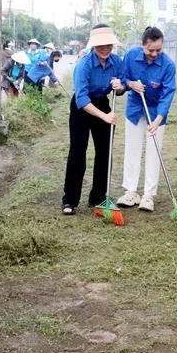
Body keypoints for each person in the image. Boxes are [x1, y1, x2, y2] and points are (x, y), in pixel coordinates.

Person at [62, 25, 125, 215]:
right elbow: (82, 99)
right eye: (100, 45)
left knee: (105, 152)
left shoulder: (116, 62)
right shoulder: (84, 65)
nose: (105, 48)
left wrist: (119, 86)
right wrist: (104, 116)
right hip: (83, 108)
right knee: (78, 153)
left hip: (102, 102)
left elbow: (121, 89)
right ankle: (70, 200)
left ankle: (98, 197)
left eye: (108, 44)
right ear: (93, 46)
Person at [116, 27, 176, 212]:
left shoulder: (168, 65)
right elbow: (123, 77)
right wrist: (130, 84)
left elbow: (168, 94)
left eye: (159, 50)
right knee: (132, 148)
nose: (154, 54)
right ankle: (130, 191)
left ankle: (148, 195)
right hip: (135, 107)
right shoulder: (131, 55)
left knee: (153, 151)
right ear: (142, 45)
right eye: (150, 50)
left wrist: (158, 120)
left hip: (156, 111)